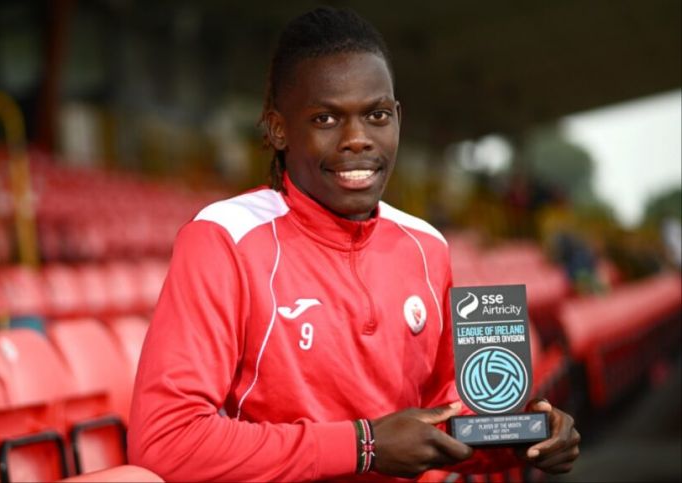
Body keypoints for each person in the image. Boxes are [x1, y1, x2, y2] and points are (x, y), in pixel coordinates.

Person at [128, 7, 580, 481]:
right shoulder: (223, 238)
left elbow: (447, 424)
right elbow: (165, 442)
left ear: (397, 119)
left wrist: (523, 437)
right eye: (326, 118)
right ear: (278, 129)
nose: (358, 140)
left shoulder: (427, 246)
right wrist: (362, 446)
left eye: (376, 115)